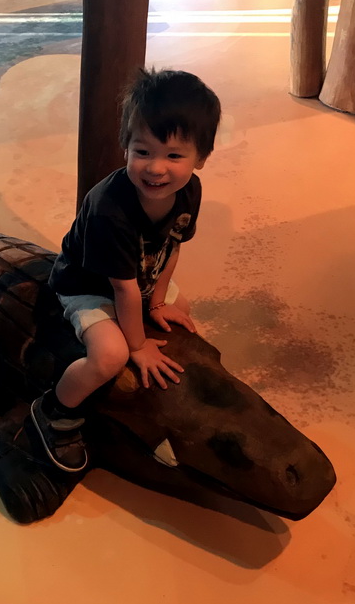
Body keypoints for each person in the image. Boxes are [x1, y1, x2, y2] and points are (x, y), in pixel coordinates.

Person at [31, 68, 221, 472]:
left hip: (139, 278)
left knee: (180, 307)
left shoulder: (190, 191)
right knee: (111, 356)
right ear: (125, 146)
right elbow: (122, 290)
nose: (155, 168)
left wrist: (157, 303)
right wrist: (137, 346)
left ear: (200, 158)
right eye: (143, 151)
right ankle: (54, 413)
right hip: (89, 284)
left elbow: (173, 247)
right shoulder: (109, 210)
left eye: (173, 155)